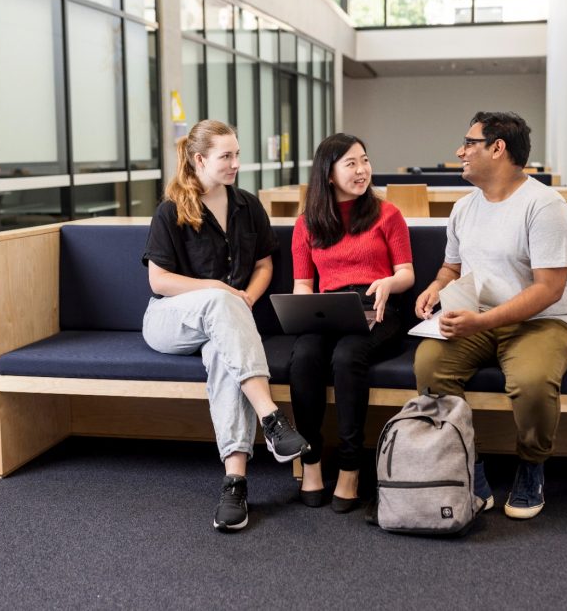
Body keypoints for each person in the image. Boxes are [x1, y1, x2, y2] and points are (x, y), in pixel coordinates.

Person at [141, 119, 309, 532]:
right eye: (226, 156)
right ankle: (271, 417)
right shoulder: (171, 210)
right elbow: (159, 280)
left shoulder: (247, 205)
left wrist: (248, 297)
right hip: (169, 319)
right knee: (218, 301)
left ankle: (235, 482)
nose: (236, 163)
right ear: (199, 159)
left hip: (226, 324)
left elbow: (265, 264)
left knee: (222, 353)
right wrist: (217, 289)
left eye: (237, 154)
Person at [413, 111, 567, 519]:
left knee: (531, 380)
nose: (460, 151)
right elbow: (451, 267)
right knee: (429, 366)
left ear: (497, 148)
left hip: (544, 320)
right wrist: (436, 287)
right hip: (478, 316)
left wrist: (483, 322)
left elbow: (549, 289)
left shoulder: (544, 206)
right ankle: (468, 465)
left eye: (468, 143)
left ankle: (532, 465)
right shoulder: (464, 208)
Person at [290, 133, 414, 512]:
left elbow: (406, 273)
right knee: (306, 356)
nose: (362, 170)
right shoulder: (308, 223)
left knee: (347, 357)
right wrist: (302, 310)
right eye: (351, 164)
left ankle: (349, 467)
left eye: (365, 160)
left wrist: (388, 283)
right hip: (328, 308)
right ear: (328, 174)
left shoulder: (386, 213)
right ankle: (310, 462)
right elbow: (302, 284)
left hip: (378, 308)